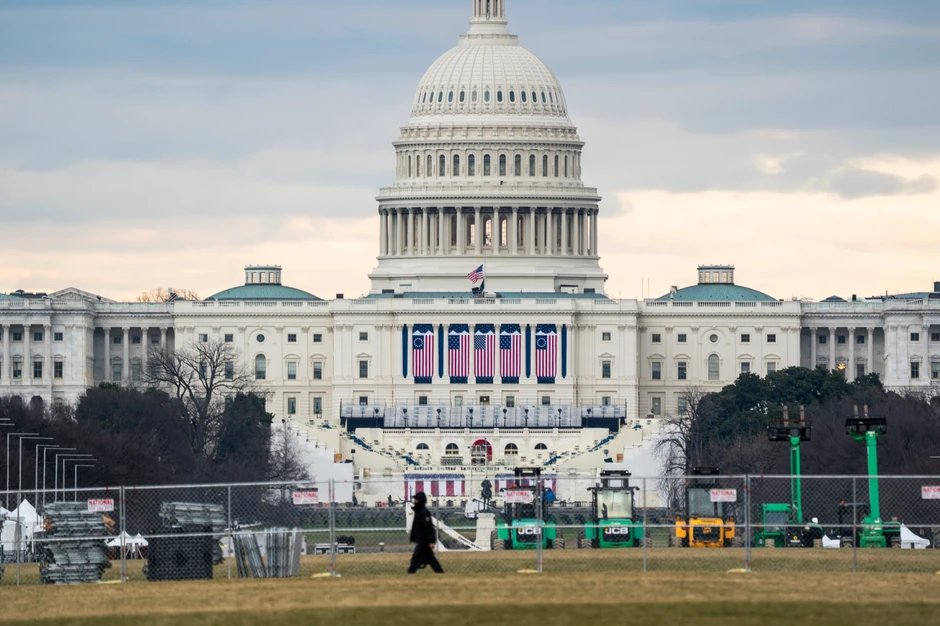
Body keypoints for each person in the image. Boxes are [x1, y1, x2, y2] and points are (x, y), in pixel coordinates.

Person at [408, 492, 444, 574]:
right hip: (421, 541)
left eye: (416, 500)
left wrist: (431, 541)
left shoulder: (424, 513)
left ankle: (410, 573)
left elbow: (429, 528)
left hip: (424, 542)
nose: (415, 502)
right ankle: (440, 573)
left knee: (416, 560)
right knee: (431, 560)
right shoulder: (419, 512)